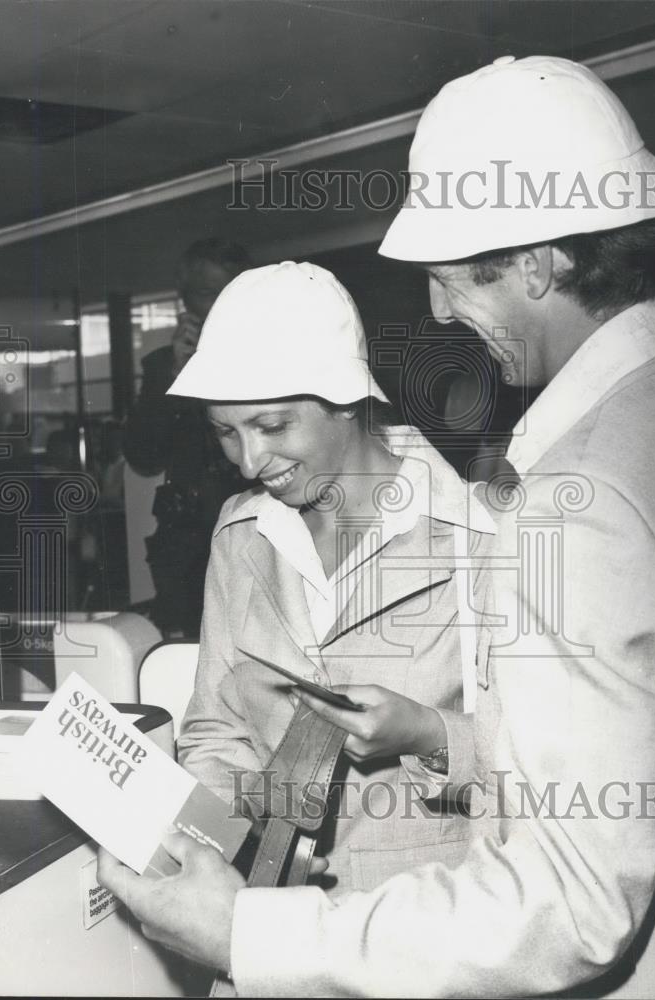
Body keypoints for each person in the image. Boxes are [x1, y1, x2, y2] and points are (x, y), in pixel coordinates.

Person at [100, 55, 655, 999]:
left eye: (452, 280)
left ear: (543, 260)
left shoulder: (574, 500)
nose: (441, 312)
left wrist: (251, 931)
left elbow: (569, 901)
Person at [171, 260, 496, 990]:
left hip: (425, 944)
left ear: (348, 401)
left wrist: (428, 734)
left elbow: (545, 768)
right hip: (273, 933)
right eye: (225, 432)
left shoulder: (478, 535)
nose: (251, 461)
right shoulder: (241, 534)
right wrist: (206, 837)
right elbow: (216, 731)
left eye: (272, 425)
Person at [123, 239, 252, 636]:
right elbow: (143, 456)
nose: (217, 304)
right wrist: (176, 378)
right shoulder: (163, 366)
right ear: (184, 302)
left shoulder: (265, 356)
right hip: (186, 539)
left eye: (228, 290)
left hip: (251, 527)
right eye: (205, 293)